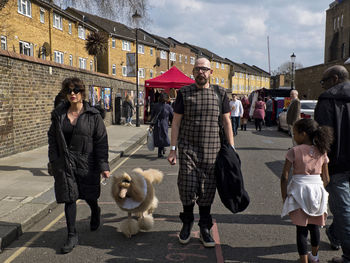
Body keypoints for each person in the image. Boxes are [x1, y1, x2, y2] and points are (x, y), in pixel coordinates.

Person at [167, 57, 234, 248]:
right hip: (188, 148)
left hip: (213, 150)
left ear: (210, 72)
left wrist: (232, 150)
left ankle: (205, 227)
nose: (200, 72)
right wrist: (173, 150)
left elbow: (227, 122)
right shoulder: (184, 92)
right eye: (197, 69)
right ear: (193, 72)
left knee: (207, 191)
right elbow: (176, 122)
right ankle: (187, 223)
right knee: (187, 187)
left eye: (204, 69)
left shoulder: (220, 93)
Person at [48, 77, 110, 254]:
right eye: (68, 91)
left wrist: (103, 165)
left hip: (87, 163)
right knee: (69, 198)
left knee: (89, 196)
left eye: (75, 90)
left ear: (82, 93)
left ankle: (95, 211)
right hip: (65, 164)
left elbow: (101, 141)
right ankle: (71, 234)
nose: (72, 94)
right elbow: (52, 139)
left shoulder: (93, 115)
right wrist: (54, 161)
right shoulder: (58, 115)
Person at [281, 118, 333, 263]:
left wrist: (284, 196)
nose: (294, 136)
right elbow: (326, 178)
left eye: (295, 133)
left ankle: (303, 260)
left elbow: (284, 176)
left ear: (303, 134)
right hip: (317, 190)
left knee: (301, 230)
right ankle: (314, 257)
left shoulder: (294, 151)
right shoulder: (322, 151)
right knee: (315, 226)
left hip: (299, 191)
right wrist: (321, 191)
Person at [314, 65, 350, 263]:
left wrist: (321, 165)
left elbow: (323, 135)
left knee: (343, 208)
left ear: (334, 78)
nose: (323, 86)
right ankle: (335, 235)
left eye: (324, 81)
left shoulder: (328, 98)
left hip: (337, 163)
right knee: (345, 207)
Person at [151, 93, 174, 158]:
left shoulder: (155, 105)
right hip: (164, 123)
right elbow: (172, 115)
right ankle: (160, 153)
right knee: (163, 136)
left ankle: (161, 150)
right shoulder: (168, 106)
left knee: (159, 137)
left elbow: (152, 115)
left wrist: (151, 123)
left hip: (157, 123)